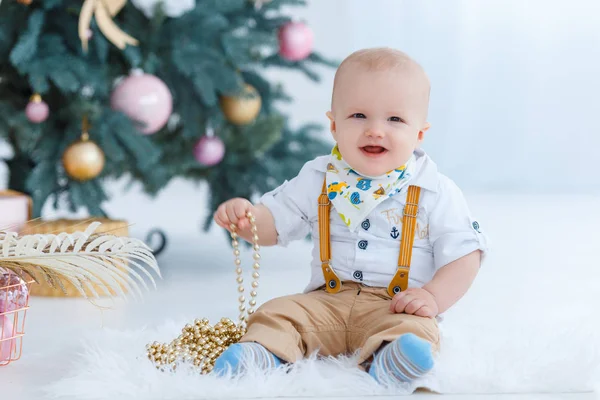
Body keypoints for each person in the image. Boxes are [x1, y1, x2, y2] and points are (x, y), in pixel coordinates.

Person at [212, 47, 489, 385]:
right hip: (324, 303)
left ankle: (390, 360)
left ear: (419, 133)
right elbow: (276, 225)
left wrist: (431, 296)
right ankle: (261, 354)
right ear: (333, 124)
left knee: (417, 331)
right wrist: (248, 219)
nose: (375, 130)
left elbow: (464, 255)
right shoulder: (318, 177)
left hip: (394, 306)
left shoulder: (434, 190)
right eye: (359, 116)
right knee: (278, 312)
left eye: (394, 119)